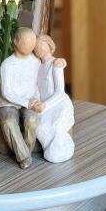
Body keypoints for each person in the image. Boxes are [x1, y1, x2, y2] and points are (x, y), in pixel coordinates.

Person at [0, 27, 41, 168]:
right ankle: (24, 157)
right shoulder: (7, 65)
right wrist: (26, 103)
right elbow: (7, 93)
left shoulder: (36, 62)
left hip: (30, 101)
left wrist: (36, 100)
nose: (31, 46)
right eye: (27, 42)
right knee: (9, 121)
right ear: (16, 42)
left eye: (33, 42)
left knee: (32, 120)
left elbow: (38, 84)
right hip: (9, 103)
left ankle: (23, 150)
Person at [32, 34, 75, 163]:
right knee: (40, 127)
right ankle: (49, 150)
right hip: (44, 106)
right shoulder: (39, 67)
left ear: (49, 45)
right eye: (35, 47)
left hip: (57, 104)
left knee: (55, 126)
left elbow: (60, 92)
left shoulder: (56, 63)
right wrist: (37, 102)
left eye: (41, 44)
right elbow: (39, 90)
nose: (37, 48)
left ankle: (62, 149)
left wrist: (45, 105)